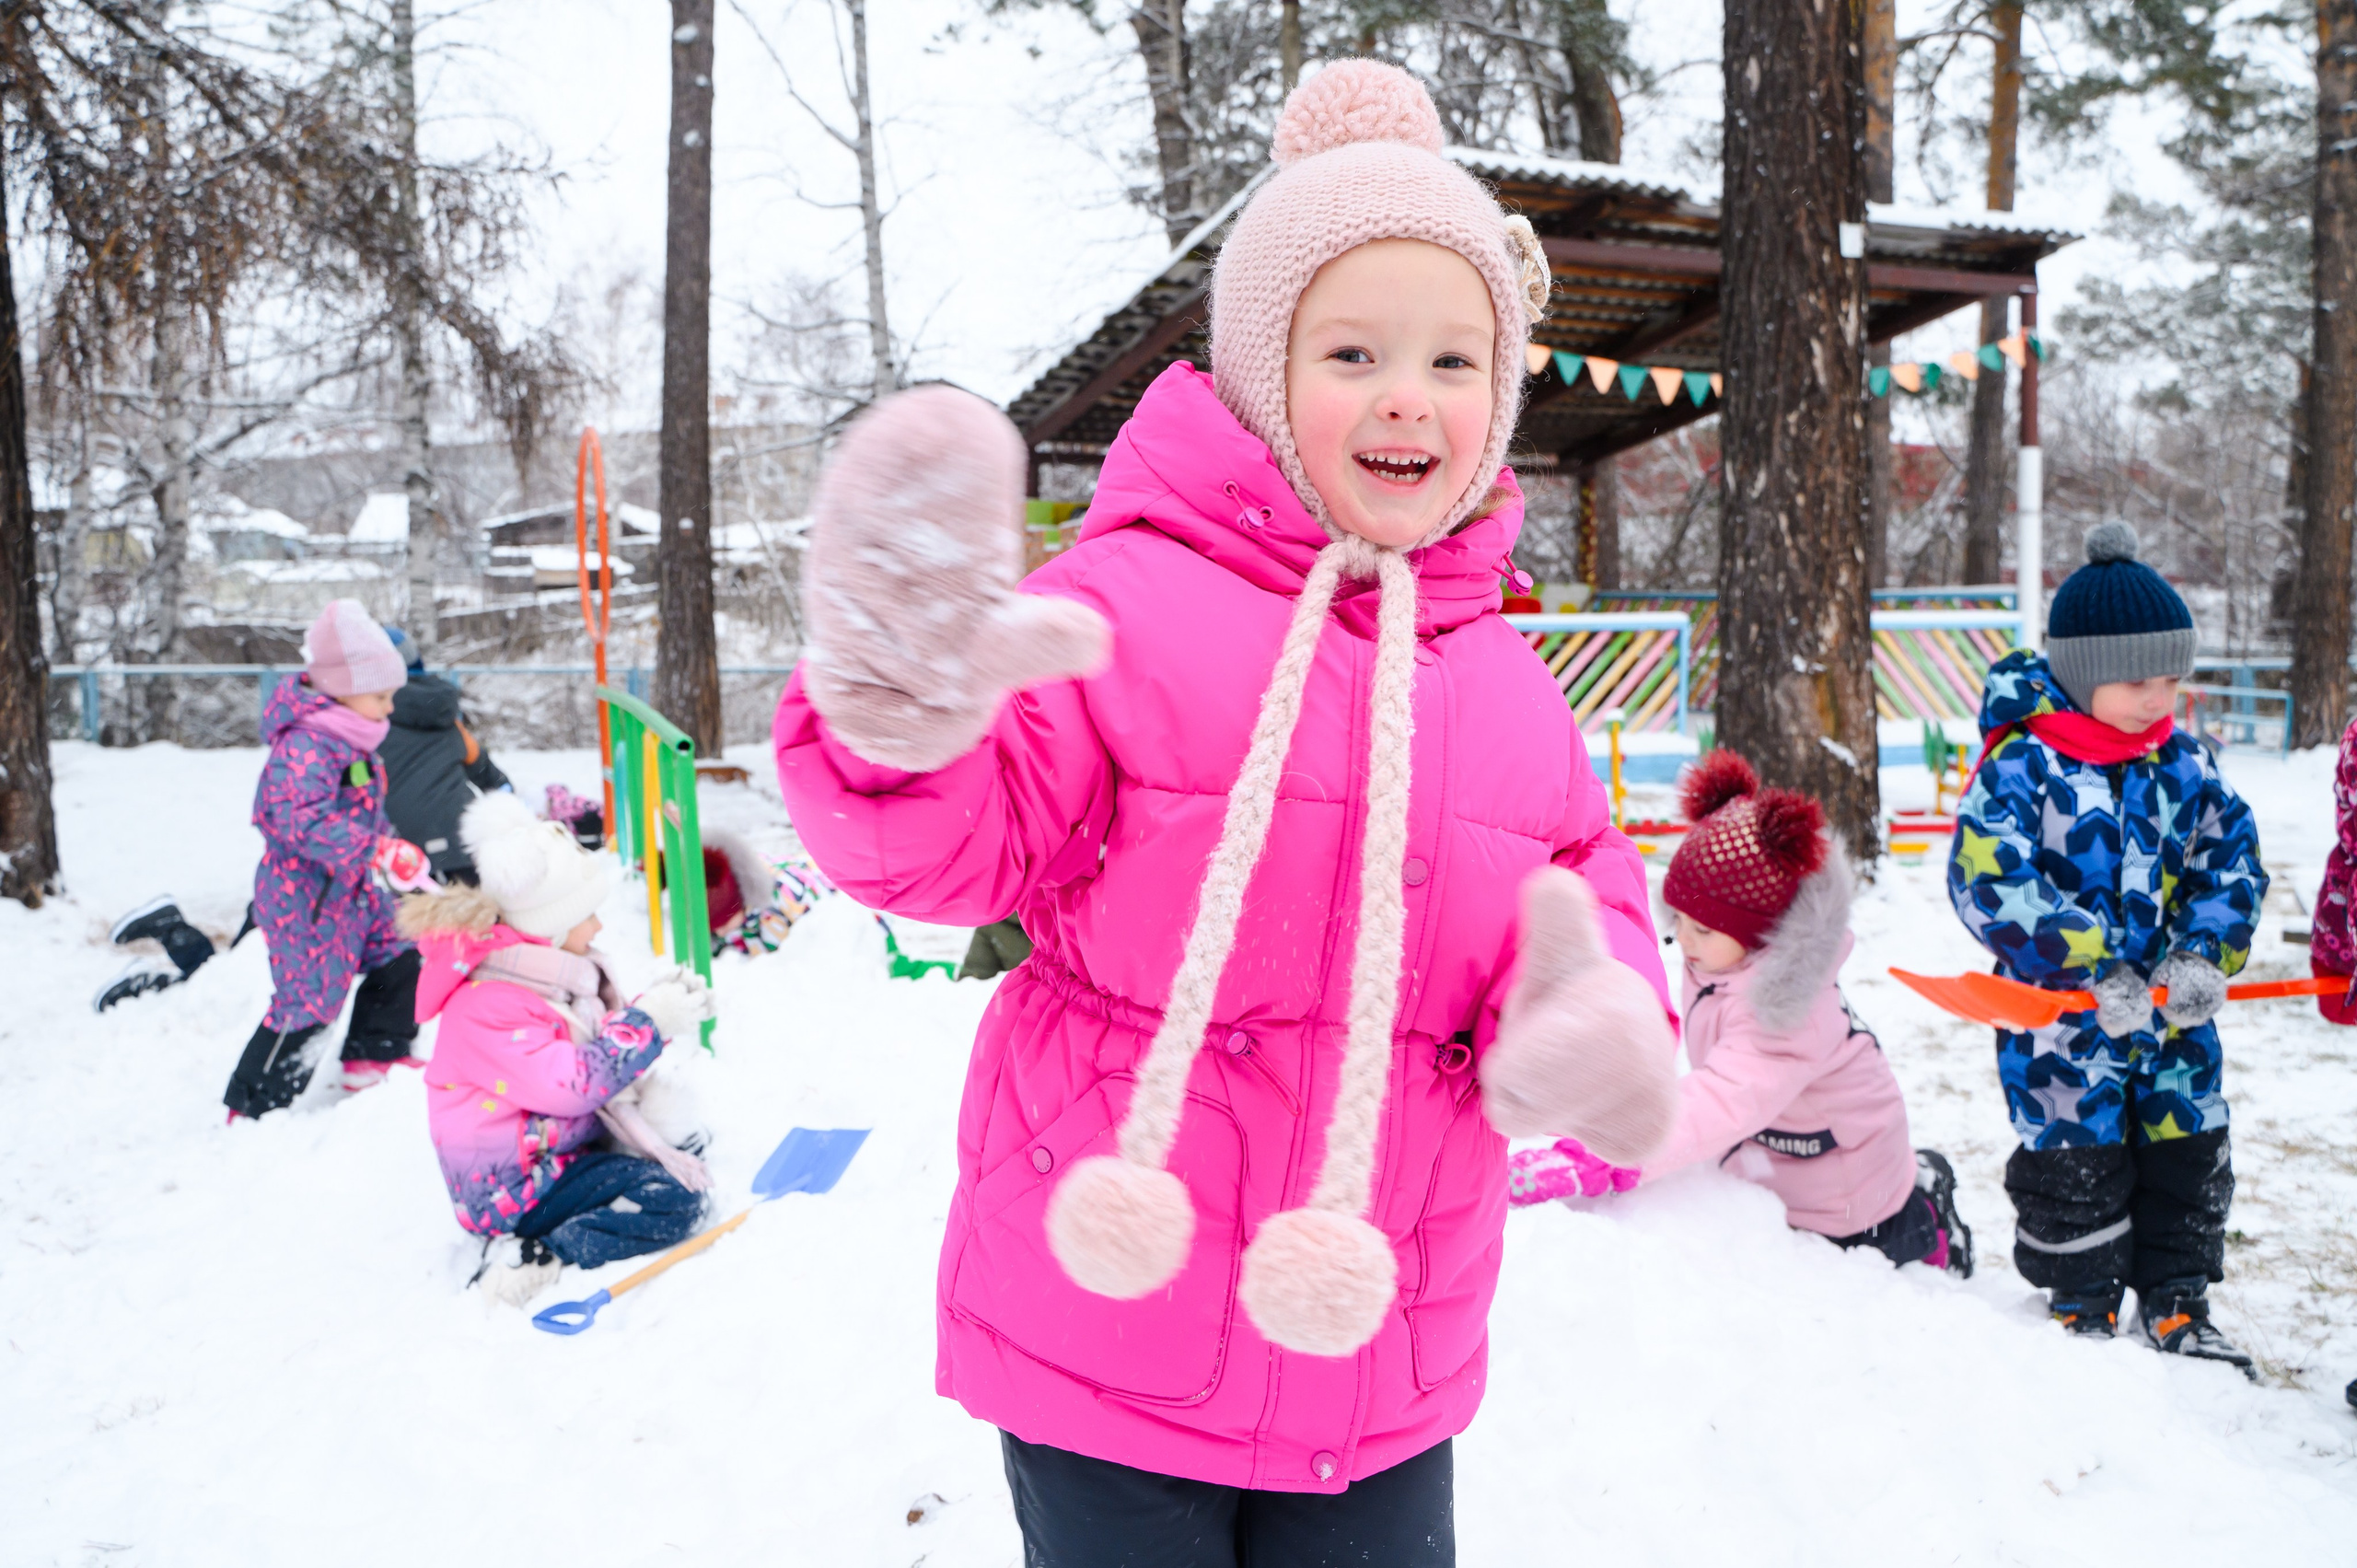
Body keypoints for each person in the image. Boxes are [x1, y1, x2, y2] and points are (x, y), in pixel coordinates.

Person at [772, 62, 1678, 1565]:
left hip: (1376, 1327)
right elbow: (950, 854)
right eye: (1353, 349)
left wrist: (1593, 1002)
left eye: (1458, 362)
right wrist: (899, 732)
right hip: (1114, 1310)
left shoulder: (1510, 681)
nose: (1409, 394)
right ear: (1262, 370)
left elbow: (1575, 890)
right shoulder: (1119, 606)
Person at [1948, 521, 2266, 1372]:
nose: (2157, 697)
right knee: (2074, 1150)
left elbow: (2230, 860)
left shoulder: (2185, 764)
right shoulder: (2024, 767)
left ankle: (2177, 1298)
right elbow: (1988, 880)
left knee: (2185, 1142)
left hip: (2171, 1015)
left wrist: (2204, 952)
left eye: (2171, 676)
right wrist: (2091, 964)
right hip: (2066, 1021)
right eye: (2135, 679)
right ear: (2082, 670)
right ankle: (2082, 1297)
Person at [1508, 753, 1973, 1276]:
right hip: (1792, 1149)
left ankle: (1929, 1220)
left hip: (1846, 1195)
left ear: (1759, 931)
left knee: (1881, 1244)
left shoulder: (1788, 1016)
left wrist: (1614, 1151)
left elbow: (1722, 1098)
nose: (1682, 938)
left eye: (1703, 929)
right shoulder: (1723, 961)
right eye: (1679, 918)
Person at [400, 791, 717, 1306]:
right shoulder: (490, 1005)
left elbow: (589, 1053)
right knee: (676, 1200)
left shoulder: (540, 978)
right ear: (550, 927)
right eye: (587, 916)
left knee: (689, 1146)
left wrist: (655, 1011)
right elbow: (573, 1085)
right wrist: (649, 1022)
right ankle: (538, 1253)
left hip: (559, 1149)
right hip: (512, 1189)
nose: (598, 928)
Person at [221, 600, 431, 1118]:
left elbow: (358, 812)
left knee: (404, 949)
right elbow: (294, 820)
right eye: (381, 696)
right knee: (309, 1000)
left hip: (354, 889)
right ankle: (255, 1103)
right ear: (342, 688)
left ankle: (374, 1056)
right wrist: (374, 848)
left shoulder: (350, 739)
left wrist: (391, 848)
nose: (389, 709)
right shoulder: (307, 746)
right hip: (306, 900)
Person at [379, 626, 512, 884]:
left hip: (403, 855)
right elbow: (484, 770)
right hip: (464, 840)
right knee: (477, 918)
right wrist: (507, 794)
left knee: (418, 921)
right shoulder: (443, 713)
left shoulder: (365, 720)